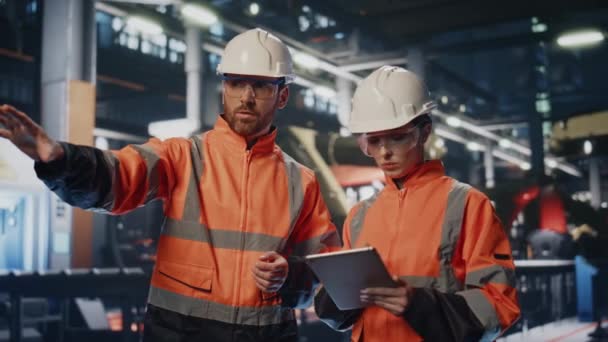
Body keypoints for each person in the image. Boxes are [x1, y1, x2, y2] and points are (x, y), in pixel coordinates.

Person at [0, 28, 340, 342]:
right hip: (180, 333)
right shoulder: (182, 156)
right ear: (224, 88)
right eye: (236, 83)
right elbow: (118, 175)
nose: (246, 97)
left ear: (282, 96)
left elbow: (325, 271)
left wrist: (291, 275)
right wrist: (58, 157)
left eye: (262, 86)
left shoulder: (301, 182)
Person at [314, 66, 520, 341]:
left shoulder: (468, 205)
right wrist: (330, 298)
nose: (385, 151)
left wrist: (418, 304)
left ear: (424, 132)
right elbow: (345, 310)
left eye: (398, 137)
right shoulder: (359, 215)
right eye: (374, 141)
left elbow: (499, 305)